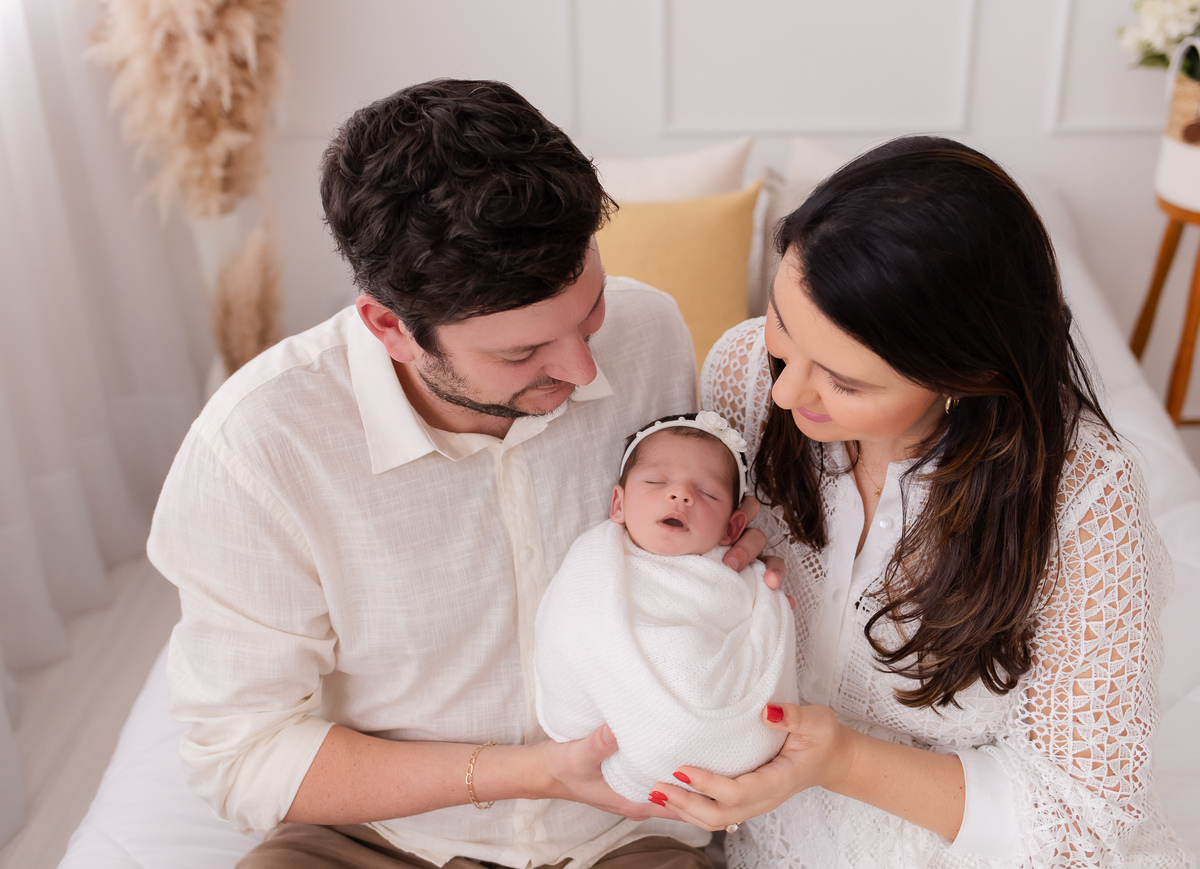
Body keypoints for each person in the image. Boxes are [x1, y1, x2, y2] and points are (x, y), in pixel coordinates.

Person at [146, 79, 774, 869]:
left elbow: (727, 510)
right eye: (522, 353)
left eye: (590, 310)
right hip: (383, 836)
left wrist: (742, 552)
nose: (581, 367)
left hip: (630, 828)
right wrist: (534, 774)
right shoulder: (259, 448)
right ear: (390, 327)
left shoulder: (651, 333)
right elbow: (244, 754)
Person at [646, 136, 1194, 866]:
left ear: (960, 375)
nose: (784, 390)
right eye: (781, 324)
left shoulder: (1082, 492)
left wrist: (841, 761)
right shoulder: (746, 373)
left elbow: (1080, 817)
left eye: (844, 382)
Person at [533, 411, 796, 804]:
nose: (681, 495)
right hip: (610, 741)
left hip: (725, 723)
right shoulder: (594, 564)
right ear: (618, 504)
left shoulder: (741, 579)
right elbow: (571, 630)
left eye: (707, 493)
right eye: (657, 482)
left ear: (732, 527)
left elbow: (762, 643)